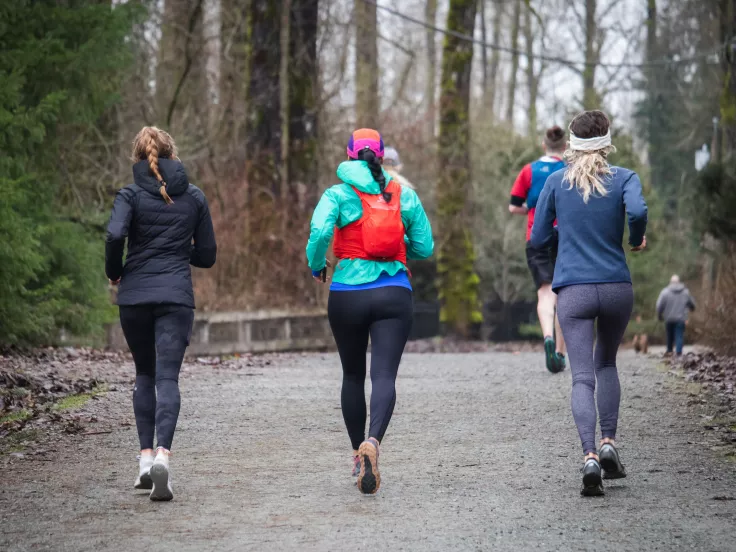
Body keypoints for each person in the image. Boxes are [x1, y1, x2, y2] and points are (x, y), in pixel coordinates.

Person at [305, 128, 433, 495]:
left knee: (351, 376)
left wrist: (318, 264)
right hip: (394, 292)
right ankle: (373, 443)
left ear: (348, 156)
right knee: (384, 376)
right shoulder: (402, 194)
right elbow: (425, 247)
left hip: (347, 293)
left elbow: (318, 232)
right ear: (381, 155)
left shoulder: (338, 194)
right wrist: (399, 242)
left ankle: (356, 454)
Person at [530, 110, 648, 497]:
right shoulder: (625, 177)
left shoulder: (556, 182)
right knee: (608, 362)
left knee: (582, 377)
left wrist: (553, 249)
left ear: (572, 144)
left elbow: (538, 237)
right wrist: (635, 238)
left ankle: (590, 456)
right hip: (616, 286)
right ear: (607, 141)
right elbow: (640, 211)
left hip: (574, 291)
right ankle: (610, 440)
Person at [105, 126, 216, 501]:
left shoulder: (129, 195)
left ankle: (144, 461)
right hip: (175, 297)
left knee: (143, 374)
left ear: (138, 157)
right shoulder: (194, 197)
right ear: (173, 155)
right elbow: (207, 255)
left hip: (135, 296)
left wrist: (114, 270)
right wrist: (176, 252)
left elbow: (114, 235)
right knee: (167, 377)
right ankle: (164, 458)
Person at [509, 126, 568, 373]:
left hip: (536, 236)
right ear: (565, 147)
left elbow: (513, 206)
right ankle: (560, 354)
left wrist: (531, 211)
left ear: (543, 145)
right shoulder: (569, 170)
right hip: (565, 236)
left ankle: (547, 337)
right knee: (564, 294)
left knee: (545, 293)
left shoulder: (528, 171)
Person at [656, 275, 695, 356]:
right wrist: (692, 308)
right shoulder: (685, 292)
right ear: (679, 282)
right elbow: (691, 303)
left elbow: (659, 305)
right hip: (681, 318)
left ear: (670, 282)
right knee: (679, 335)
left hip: (668, 318)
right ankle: (678, 352)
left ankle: (670, 351)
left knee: (669, 335)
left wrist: (659, 315)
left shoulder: (665, 292)